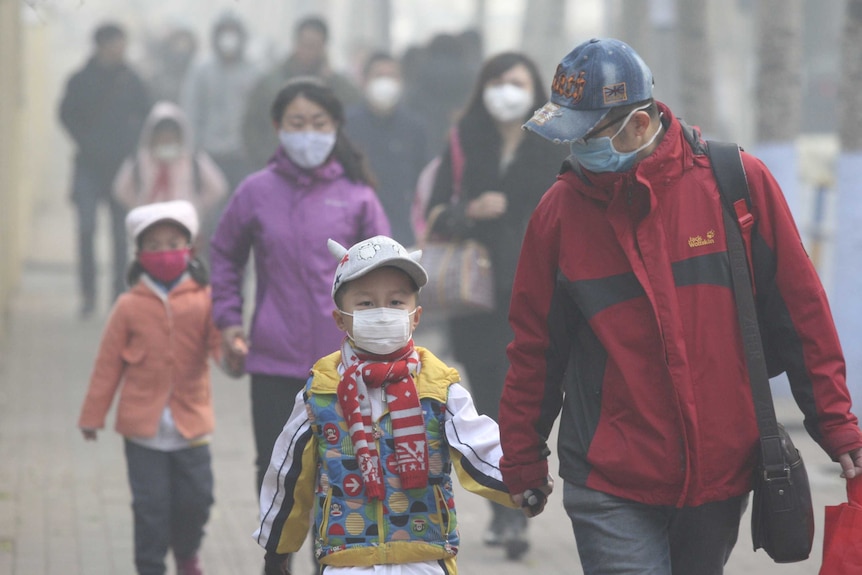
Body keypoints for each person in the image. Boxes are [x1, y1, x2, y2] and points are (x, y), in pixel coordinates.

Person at [498, 37, 862, 575]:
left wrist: (836, 425)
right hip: (608, 477)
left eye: (587, 136)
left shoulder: (736, 185)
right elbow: (534, 350)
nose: (577, 153)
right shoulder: (559, 215)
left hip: (720, 475)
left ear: (639, 126)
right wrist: (523, 458)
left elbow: (801, 313)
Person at [254, 235, 518, 575]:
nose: (382, 312)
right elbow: (289, 475)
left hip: (424, 558)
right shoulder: (320, 392)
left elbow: (478, 447)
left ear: (416, 316)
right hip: (346, 560)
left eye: (395, 302)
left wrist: (523, 481)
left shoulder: (438, 388)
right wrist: (277, 549)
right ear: (340, 319)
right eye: (365, 303)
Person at [210, 78, 390, 497]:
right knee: (278, 473)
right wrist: (228, 319)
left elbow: (387, 275)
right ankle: (277, 561)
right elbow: (224, 256)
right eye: (297, 122)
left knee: (339, 472)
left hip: (347, 366)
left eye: (318, 122)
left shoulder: (358, 197)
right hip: (273, 361)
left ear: (335, 127)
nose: (308, 133)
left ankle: (328, 562)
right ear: (278, 127)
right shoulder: (255, 192)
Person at [423, 51, 567, 559]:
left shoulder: (554, 142)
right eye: (498, 81)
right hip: (480, 303)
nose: (507, 90)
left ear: (535, 92)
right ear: (484, 87)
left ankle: (524, 492)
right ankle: (509, 512)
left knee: (528, 406)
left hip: (541, 296)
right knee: (491, 405)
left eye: (518, 82)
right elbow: (436, 210)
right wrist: (470, 211)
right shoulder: (465, 140)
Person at [77, 200, 223, 575]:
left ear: (189, 249)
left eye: (172, 243)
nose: (164, 252)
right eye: (154, 246)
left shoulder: (205, 301)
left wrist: (236, 352)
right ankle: (149, 566)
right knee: (150, 507)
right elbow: (107, 366)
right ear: (140, 255)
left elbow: (220, 345)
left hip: (191, 425)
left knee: (198, 500)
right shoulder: (128, 306)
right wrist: (93, 416)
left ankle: (187, 553)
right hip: (142, 432)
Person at [59, 21, 151, 317]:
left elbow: (148, 114)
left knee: (119, 234)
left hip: (121, 169)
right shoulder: (80, 79)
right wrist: (86, 141)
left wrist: (131, 143)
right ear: (101, 45)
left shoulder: (133, 80)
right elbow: (65, 114)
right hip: (87, 166)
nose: (121, 49)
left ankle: (118, 294)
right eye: (116, 43)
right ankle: (87, 295)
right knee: (86, 230)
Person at [112, 101, 228, 262]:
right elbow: (120, 189)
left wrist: (198, 206)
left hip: (184, 229)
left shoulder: (193, 159)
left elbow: (218, 187)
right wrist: (138, 206)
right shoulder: (140, 161)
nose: (166, 144)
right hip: (149, 228)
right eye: (162, 140)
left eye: (171, 140)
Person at [242, 15, 361, 169]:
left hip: (325, 173)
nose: (308, 51)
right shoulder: (270, 85)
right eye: (304, 44)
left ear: (324, 46)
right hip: (277, 169)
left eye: (314, 45)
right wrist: (266, 159)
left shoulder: (339, 88)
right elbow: (251, 126)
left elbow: (354, 123)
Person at [345, 52, 429, 246]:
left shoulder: (414, 127)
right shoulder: (347, 124)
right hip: (355, 234)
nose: (386, 83)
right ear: (364, 81)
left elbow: (422, 180)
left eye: (392, 76)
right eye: (379, 76)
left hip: (403, 234)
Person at [180, 12, 259, 192]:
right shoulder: (201, 69)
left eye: (233, 33)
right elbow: (191, 110)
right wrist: (193, 150)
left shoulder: (253, 71)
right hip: (209, 154)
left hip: (242, 154)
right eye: (224, 32)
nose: (228, 39)